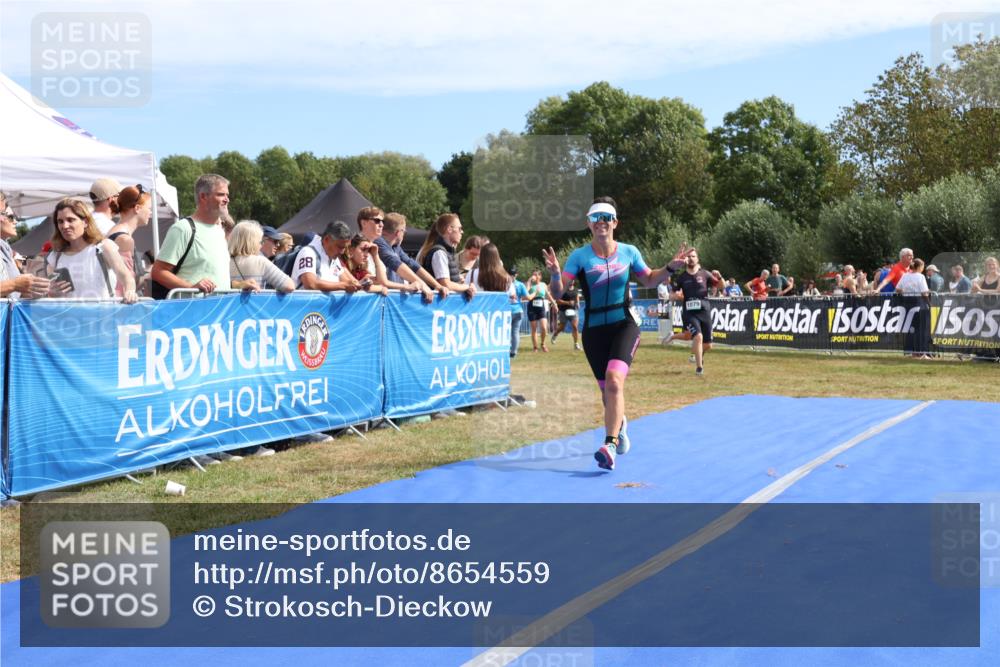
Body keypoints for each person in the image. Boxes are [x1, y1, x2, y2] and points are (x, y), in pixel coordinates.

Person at [542, 196, 682, 471]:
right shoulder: (579, 256)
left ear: (615, 222)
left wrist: (668, 268)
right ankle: (620, 424)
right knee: (607, 393)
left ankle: (610, 444)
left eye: (606, 218)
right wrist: (557, 274)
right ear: (589, 224)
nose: (601, 223)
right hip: (593, 330)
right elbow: (558, 293)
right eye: (596, 218)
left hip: (624, 324)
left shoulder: (629, 252)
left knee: (615, 381)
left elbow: (649, 279)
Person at [152, 174, 232, 296]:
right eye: (221, 194)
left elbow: (217, 276)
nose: (227, 199)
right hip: (191, 311)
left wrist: (240, 285)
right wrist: (191, 287)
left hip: (219, 311)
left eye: (227, 195)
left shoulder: (219, 230)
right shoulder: (183, 229)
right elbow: (158, 272)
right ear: (203, 197)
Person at [45, 199, 137, 303]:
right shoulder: (55, 256)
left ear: (85, 222)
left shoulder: (103, 247)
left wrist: (130, 291)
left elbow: (126, 277)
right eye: (60, 221)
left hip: (103, 316)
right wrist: (51, 292)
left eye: (70, 220)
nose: (64, 226)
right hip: (69, 318)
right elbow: (51, 293)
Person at [664, 248, 724, 377]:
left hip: (704, 311)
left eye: (694, 256)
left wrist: (720, 277)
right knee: (698, 337)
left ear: (698, 259)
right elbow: (672, 294)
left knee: (708, 345)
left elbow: (721, 286)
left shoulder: (705, 274)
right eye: (689, 256)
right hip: (689, 313)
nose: (691, 258)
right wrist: (677, 296)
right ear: (686, 260)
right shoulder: (681, 277)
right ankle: (699, 368)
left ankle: (693, 352)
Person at [374, 212, 444, 302]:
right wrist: (423, 285)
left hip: (392, 300)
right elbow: (396, 264)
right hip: (384, 301)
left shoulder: (396, 247)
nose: (404, 234)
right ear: (398, 232)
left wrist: (437, 286)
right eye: (404, 231)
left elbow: (413, 265)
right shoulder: (379, 242)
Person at [106, 185, 152, 297]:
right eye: (149, 208)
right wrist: (152, 273)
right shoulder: (124, 240)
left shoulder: (115, 233)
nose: (150, 213)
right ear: (137, 208)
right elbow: (125, 284)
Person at [291, 220, 362, 292]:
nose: (342, 252)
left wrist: (359, 284)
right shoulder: (308, 252)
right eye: (340, 247)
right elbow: (310, 284)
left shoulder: (334, 257)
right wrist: (343, 286)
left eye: (345, 248)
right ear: (326, 239)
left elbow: (347, 282)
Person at [417, 213, 476, 299]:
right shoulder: (439, 252)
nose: (462, 232)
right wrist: (467, 287)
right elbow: (445, 284)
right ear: (449, 229)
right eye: (459, 228)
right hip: (438, 306)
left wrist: (458, 281)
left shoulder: (445, 252)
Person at [1, 194, 50, 298]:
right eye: (10, 217)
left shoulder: (6, 250)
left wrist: (27, 290)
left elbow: (11, 295)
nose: (15, 221)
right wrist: (14, 285)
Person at [228, 221, 294, 293]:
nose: (260, 245)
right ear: (252, 242)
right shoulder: (260, 261)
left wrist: (235, 284)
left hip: (226, 304)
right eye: (260, 241)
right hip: (254, 303)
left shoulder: (224, 261)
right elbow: (290, 286)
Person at [341, 234, 416, 295]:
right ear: (351, 250)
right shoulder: (342, 264)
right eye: (363, 250)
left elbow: (381, 281)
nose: (367, 255)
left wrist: (375, 255)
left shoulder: (360, 271)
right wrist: (381, 288)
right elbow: (377, 286)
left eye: (368, 251)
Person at [895, 258, 931, 358]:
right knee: (921, 328)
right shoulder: (920, 276)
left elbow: (897, 289)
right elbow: (924, 292)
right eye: (923, 266)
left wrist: (907, 292)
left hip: (907, 303)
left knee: (911, 328)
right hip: (919, 303)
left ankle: (910, 351)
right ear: (919, 267)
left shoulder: (905, 275)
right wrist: (929, 303)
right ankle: (921, 351)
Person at [525, 269, 556, 352]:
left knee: (544, 327)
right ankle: (535, 347)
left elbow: (548, 295)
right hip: (532, 306)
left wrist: (554, 304)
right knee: (534, 328)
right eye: (533, 275)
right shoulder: (530, 285)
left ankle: (542, 343)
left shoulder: (543, 285)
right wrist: (529, 281)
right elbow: (525, 293)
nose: (534, 276)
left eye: (536, 275)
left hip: (541, 306)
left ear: (540, 276)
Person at [551, 279, 582, 350]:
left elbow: (577, 297)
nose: (571, 281)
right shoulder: (562, 289)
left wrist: (578, 303)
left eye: (573, 280)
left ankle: (576, 344)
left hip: (573, 311)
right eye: (570, 280)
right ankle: (555, 335)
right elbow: (558, 301)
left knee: (575, 327)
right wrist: (568, 303)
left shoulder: (576, 289)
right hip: (563, 311)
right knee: (561, 327)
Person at [509, 267, 528, 357]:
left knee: (507, 331)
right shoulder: (520, 284)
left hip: (507, 310)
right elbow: (527, 297)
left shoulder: (504, 284)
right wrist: (535, 293)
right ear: (516, 274)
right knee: (515, 332)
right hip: (518, 310)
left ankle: (507, 349)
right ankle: (513, 352)